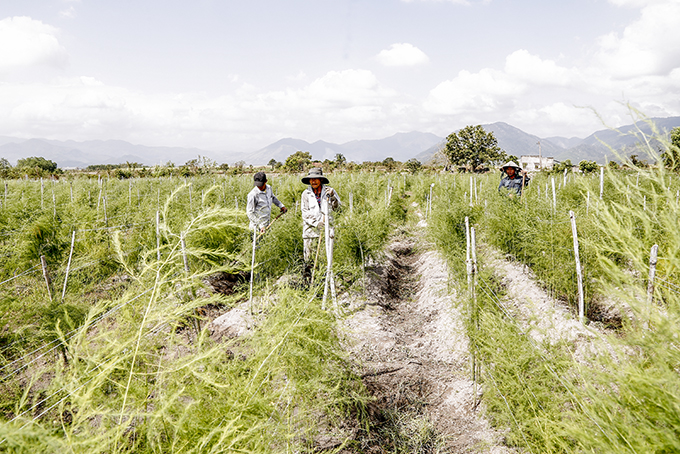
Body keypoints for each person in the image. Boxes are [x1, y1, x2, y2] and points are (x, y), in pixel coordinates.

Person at [300, 167, 341, 275]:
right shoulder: (305, 194)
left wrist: (333, 197)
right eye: (311, 179)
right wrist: (316, 223)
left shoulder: (329, 191)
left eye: (316, 179)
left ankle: (323, 281)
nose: (313, 181)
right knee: (309, 260)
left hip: (326, 232)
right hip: (310, 232)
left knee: (324, 259)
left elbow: (337, 209)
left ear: (321, 180)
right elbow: (305, 213)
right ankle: (309, 283)